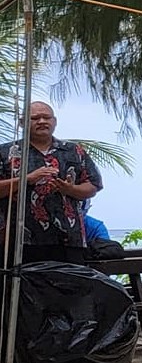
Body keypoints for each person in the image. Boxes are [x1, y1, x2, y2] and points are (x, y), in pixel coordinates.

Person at [0, 101, 103, 264]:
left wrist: (70, 189)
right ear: (22, 123)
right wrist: (26, 179)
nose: (41, 121)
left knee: (70, 288)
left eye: (46, 117)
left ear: (54, 122)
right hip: (19, 241)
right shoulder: (6, 152)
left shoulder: (74, 151)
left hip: (68, 240)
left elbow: (93, 186)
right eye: (35, 118)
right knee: (22, 289)